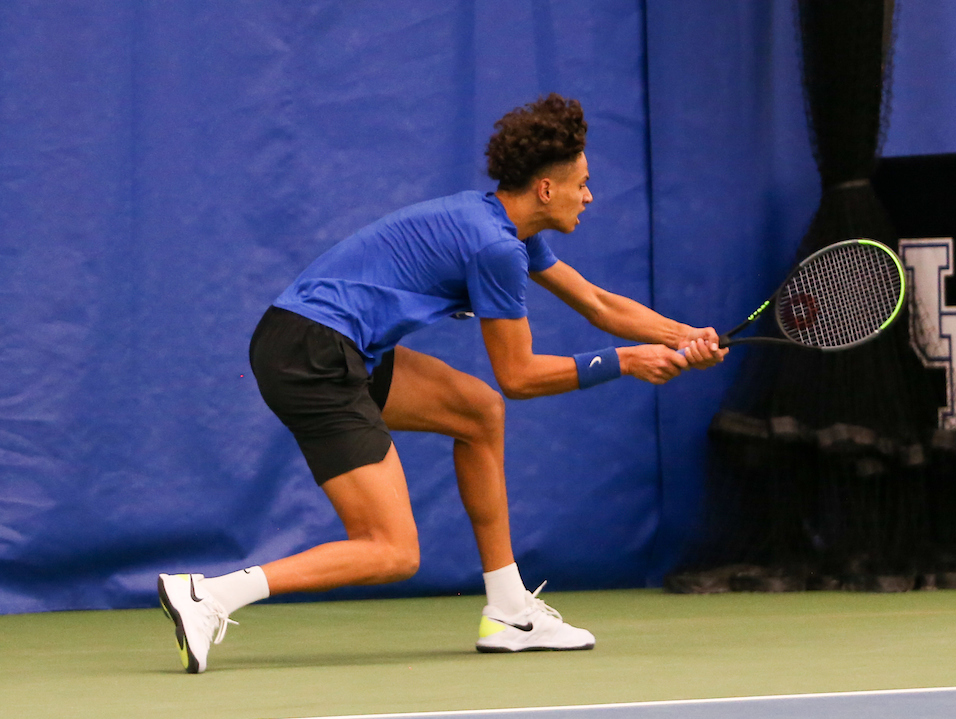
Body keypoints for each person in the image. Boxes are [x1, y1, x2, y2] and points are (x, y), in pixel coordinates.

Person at [157, 94, 726, 673]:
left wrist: (684, 337)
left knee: (477, 412)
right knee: (392, 550)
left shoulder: (505, 225)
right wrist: (626, 363)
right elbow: (521, 377)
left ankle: (509, 611)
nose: (590, 195)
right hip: (312, 354)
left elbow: (598, 303)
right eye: (581, 183)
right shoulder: (496, 246)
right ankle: (212, 596)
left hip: (327, 341)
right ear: (546, 190)